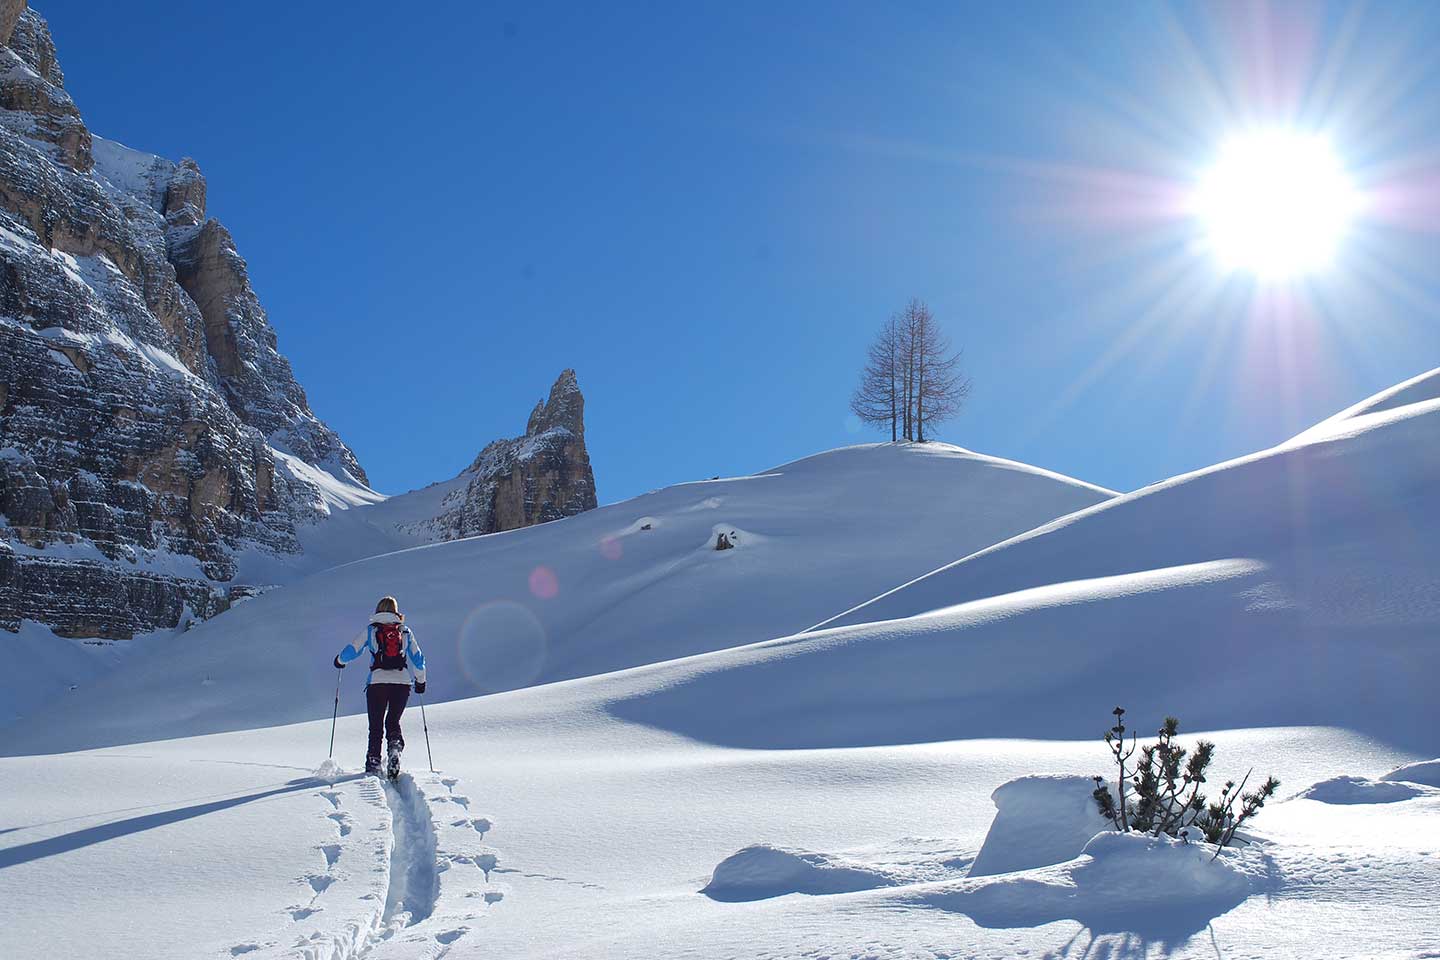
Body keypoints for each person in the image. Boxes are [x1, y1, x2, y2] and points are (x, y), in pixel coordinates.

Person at [333, 596, 427, 776]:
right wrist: (421, 681)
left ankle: (373, 763)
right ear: (395, 611)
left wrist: (340, 660)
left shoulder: (371, 630)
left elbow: (353, 649)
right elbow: (418, 658)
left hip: (377, 683)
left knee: (375, 726)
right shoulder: (405, 631)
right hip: (402, 683)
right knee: (393, 721)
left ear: (378, 610)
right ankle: (395, 747)